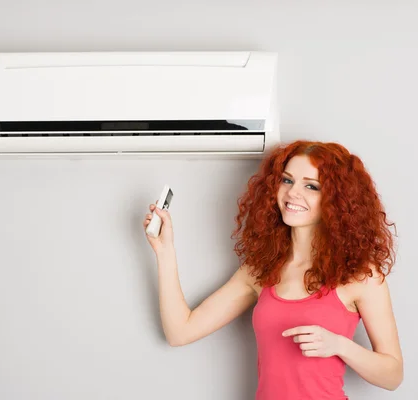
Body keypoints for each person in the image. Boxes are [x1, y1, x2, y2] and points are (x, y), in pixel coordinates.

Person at [142, 140, 403, 399]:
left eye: (311, 186)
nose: (292, 193)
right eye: (287, 180)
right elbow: (180, 331)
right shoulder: (260, 271)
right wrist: (164, 252)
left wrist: (340, 346)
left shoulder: (360, 276)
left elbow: (393, 376)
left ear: (336, 200)